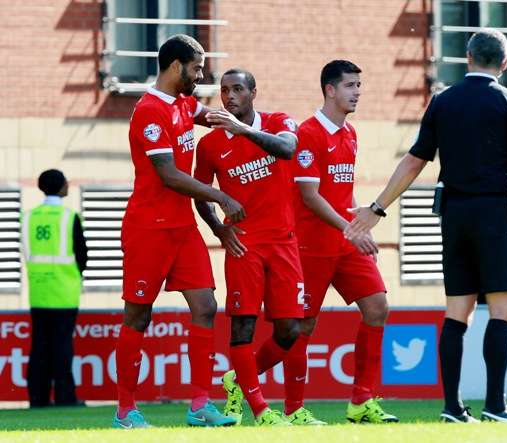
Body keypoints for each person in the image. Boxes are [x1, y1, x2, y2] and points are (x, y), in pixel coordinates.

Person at [345, 30, 507, 423]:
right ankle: (496, 406)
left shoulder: (443, 102)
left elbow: (413, 161)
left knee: (457, 312)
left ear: (468, 57)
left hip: (454, 217)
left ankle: (453, 407)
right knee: (502, 310)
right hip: (494, 214)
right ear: (506, 64)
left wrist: (377, 207)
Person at [113, 34, 244, 429]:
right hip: (148, 229)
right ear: (175, 66)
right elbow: (169, 175)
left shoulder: (184, 104)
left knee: (206, 307)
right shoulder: (148, 112)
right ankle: (125, 411)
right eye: (196, 68)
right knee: (138, 315)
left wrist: (253, 123)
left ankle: (200, 405)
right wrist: (219, 195)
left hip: (182, 227)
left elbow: (213, 118)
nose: (201, 75)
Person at [282, 60, 397, 425]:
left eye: (359, 85)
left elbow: (339, 193)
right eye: (350, 86)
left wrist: (358, 220)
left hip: (346, 242)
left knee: (377, 307)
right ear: (330, 90)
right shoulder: (308, 133)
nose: (357, 92)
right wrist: (353, 229)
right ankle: (293, 409)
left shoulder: (351, 134)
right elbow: (311, 196)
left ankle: (362, 400)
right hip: (310, 246)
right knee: (303, 327)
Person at [193, 68, 303, 426]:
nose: (229, 97)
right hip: (244, 245)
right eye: (224, 91)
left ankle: (238, 380)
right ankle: (259, 409)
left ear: (253, 92)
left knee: (290, 330)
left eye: (237, 89)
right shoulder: (209, 144)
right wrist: (219, 231)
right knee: (242, 326)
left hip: (284, 242)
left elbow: (288, 149)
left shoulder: (277, 121)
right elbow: (200, 195)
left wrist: (245, 131)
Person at [23, 169, 87, 408]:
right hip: (64, 292)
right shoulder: (68, 217)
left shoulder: (28, 217)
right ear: (61, 187)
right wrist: (74, 276)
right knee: (61, 346)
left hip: (38, 291)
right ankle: (65, 397)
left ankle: (37, 399)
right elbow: (82, 254)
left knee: (39, 346)